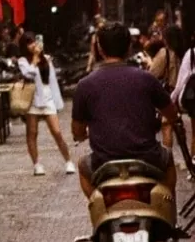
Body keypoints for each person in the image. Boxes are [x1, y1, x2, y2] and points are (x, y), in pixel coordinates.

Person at [70, 20, 179, 200]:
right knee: (168, 160)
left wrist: (85, 134)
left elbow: (77, 131)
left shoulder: (85, 85)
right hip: (148, 159)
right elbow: (172, 114)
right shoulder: (147, 79)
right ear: (129, 47)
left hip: (103, 162)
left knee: (82, 165)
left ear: (100, 49)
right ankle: (167, 213)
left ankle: (100, 208)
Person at [16, 35, 76, 177]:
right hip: (32, 99)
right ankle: (36, 164)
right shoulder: (23, 61)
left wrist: (57, 100)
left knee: (57, 132)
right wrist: (35, 59)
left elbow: (52, 81)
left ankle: (68, 161)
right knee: (32, 133)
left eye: (33, 42)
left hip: (47, 97)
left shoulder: (47, 59)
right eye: (28, 43)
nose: (32, 45)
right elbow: (28, 74)